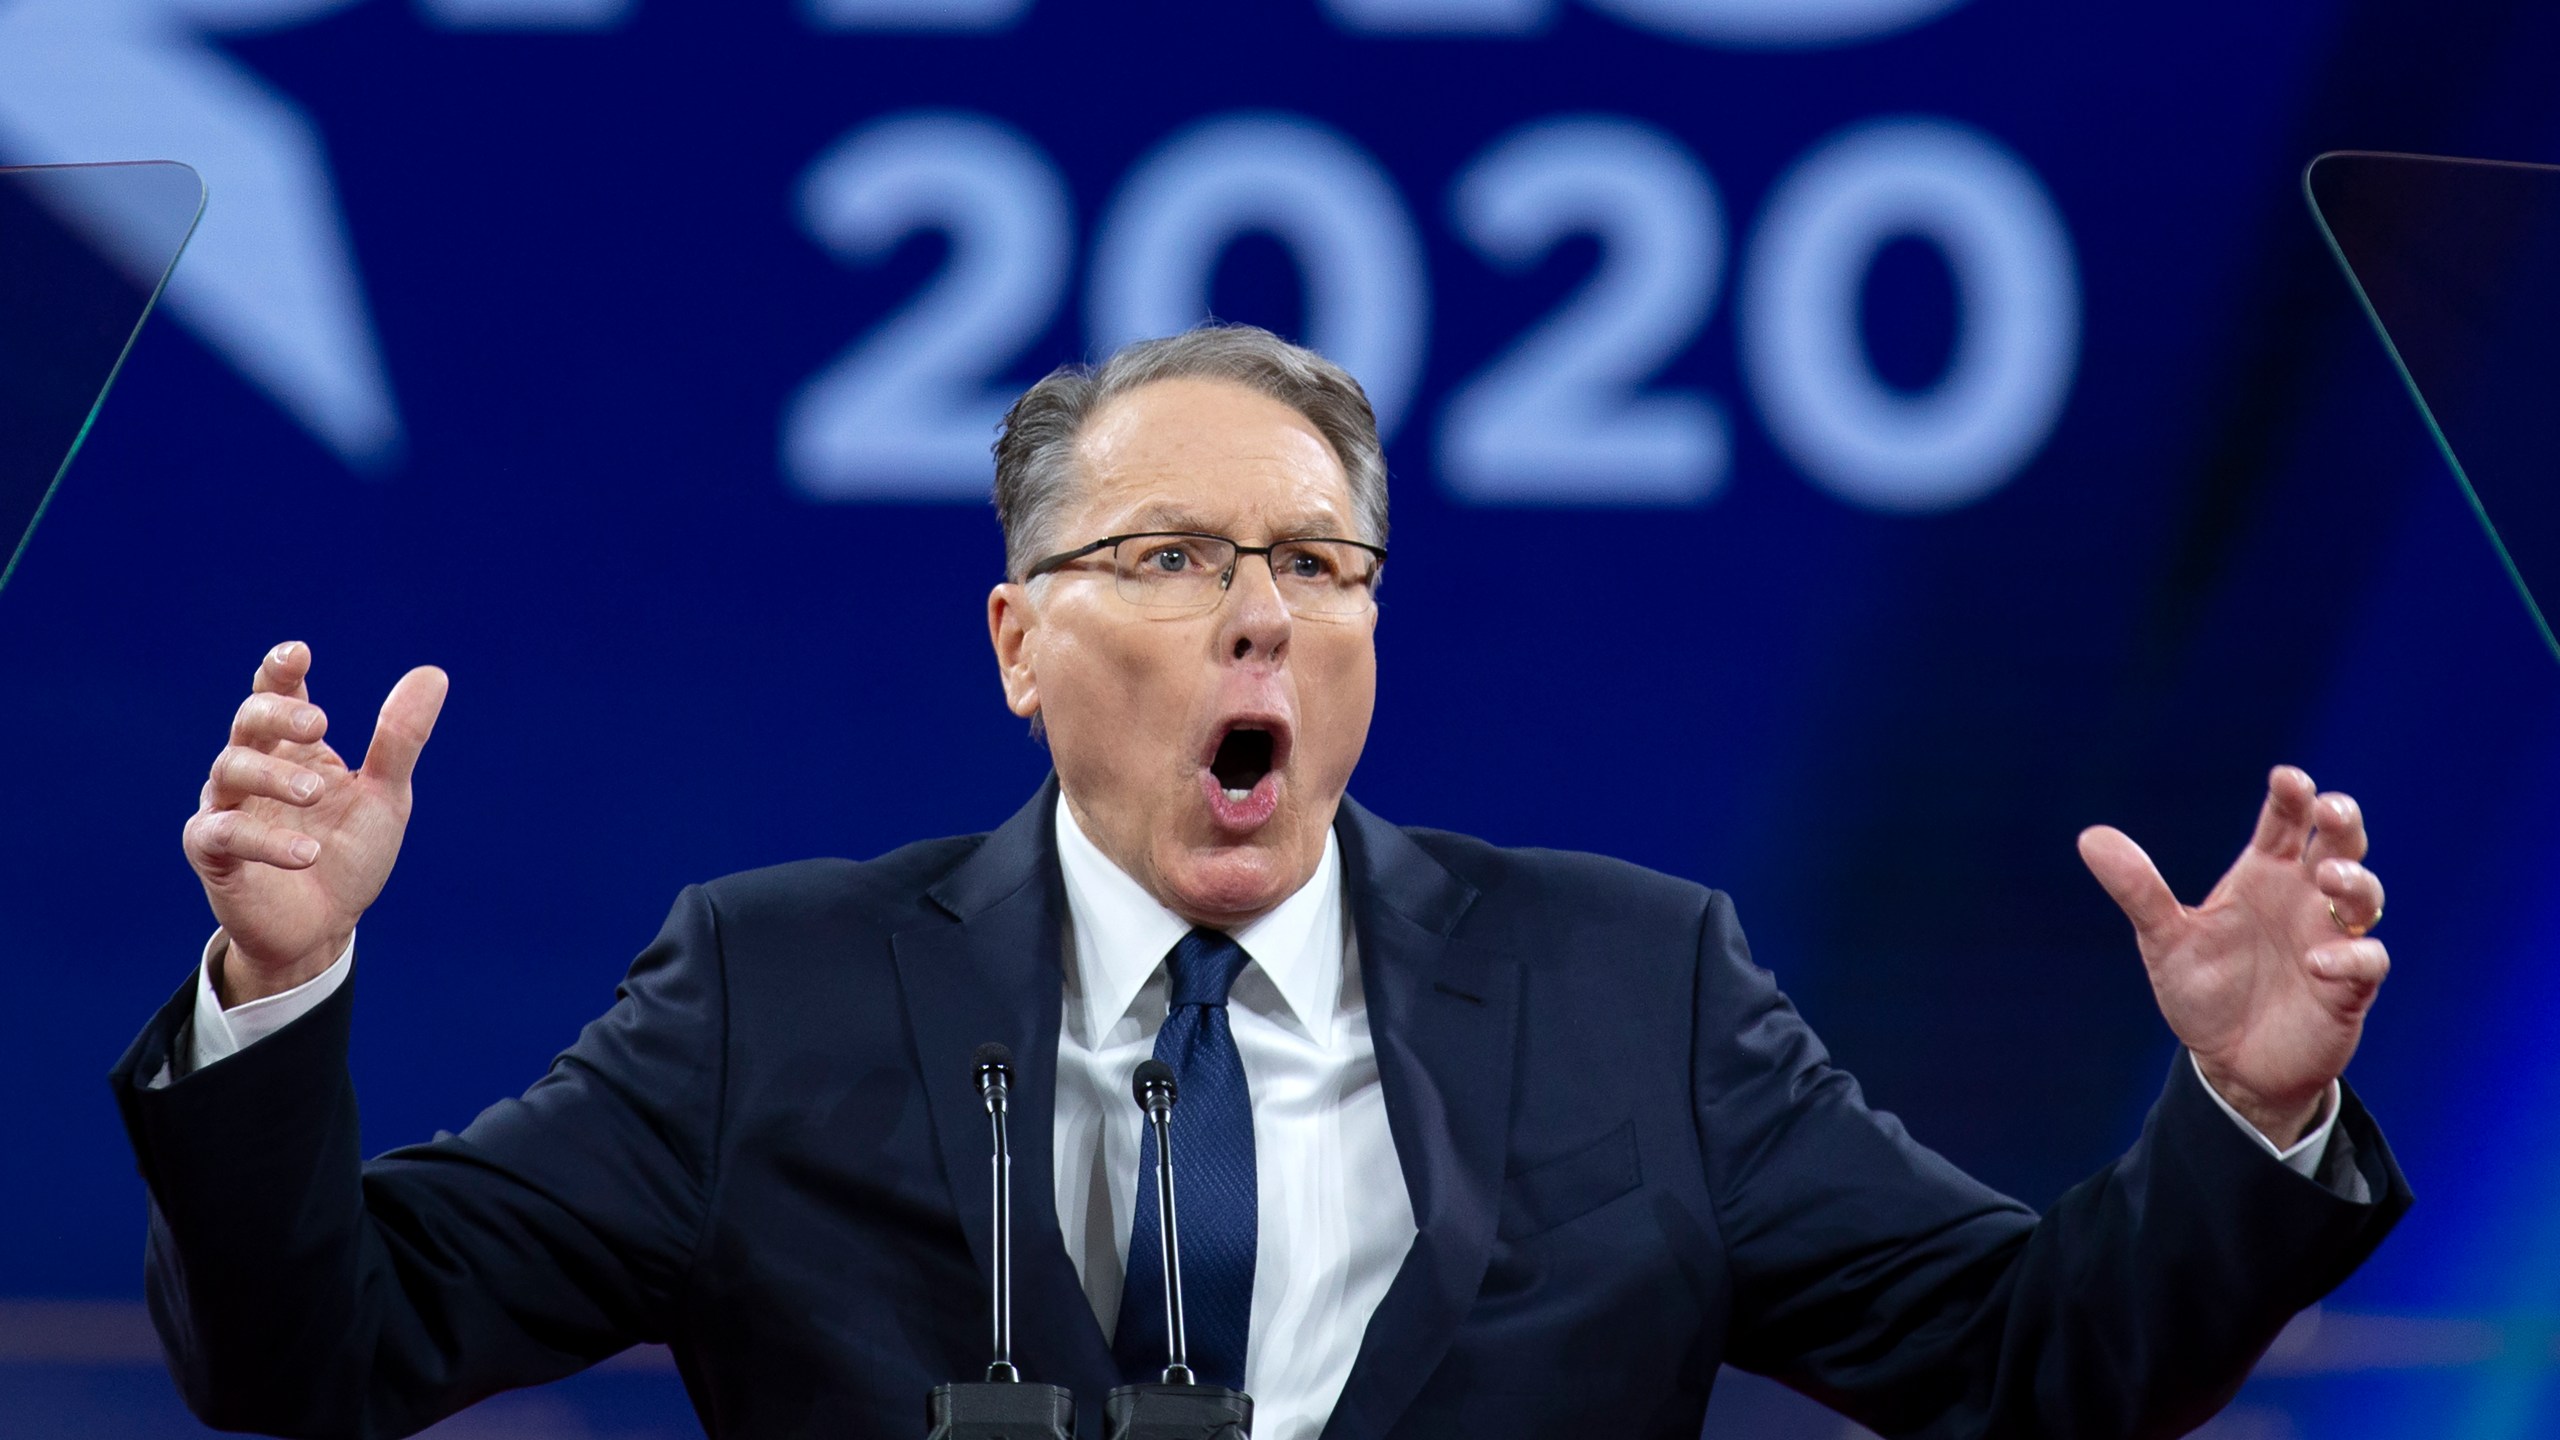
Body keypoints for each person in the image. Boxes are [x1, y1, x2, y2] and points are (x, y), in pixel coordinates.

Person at [113, 325, 2407, 1440]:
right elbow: (315, 1354)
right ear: (1017, 640)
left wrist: (2249, 1118)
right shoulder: (773, 989)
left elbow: (2036, 1370)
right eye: (1174, 556)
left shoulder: (1637, 985)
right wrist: (273, 987)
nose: (1260, 615)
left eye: (1319, 563)